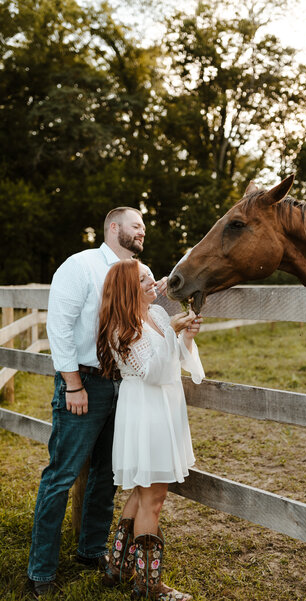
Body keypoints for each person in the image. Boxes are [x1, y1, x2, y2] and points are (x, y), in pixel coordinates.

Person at [28, 207, 167, 599]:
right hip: (84, 382)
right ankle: (40, 571)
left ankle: (91, 551)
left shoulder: (137, 276)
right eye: (136, 225)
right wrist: (73, 385)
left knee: (105, 475)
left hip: (123, 385)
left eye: (143, 228)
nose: (142, 232)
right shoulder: (82, 265)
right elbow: (59, 327)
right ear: (113, 227)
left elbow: (144, 320)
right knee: (62, 475)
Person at [96, 259, 204, 601]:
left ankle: (117, 566)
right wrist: (172, 332)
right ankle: (148, 587)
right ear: (129, 287)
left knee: (143, 492)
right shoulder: (121, 329)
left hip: (165, 406)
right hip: (146, 410)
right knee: (153, 499)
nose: (153, 282)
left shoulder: (157, 315)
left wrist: (185, 335)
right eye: (144, 279)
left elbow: (175, 361)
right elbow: (154, 374)